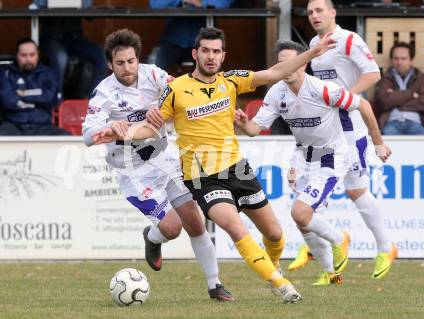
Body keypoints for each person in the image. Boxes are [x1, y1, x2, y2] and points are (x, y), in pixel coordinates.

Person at [94, 27, 337, 303]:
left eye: (216, 52)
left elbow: (274, 73)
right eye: (206, 51)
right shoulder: (176, 89)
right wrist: (118, 132)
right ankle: (282, 285)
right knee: (235, 228)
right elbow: (150, 129)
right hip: (201, 177)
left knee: (274, 233)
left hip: (238, 168)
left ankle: (273, 266)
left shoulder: (231, 81)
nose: (211, 57)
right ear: (195, 54)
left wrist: (312, 53)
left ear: (223, 56)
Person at [82, 28, 233, 302]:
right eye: (120, 63)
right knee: (173, 228)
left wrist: (171, 108)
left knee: (195, 222)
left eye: (131, 61)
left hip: (165, 160)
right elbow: (87, 136)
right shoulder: (104, 92)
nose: (127, 68)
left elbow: (184, 95)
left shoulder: (154, 75)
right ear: (109, 65)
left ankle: (215, 285)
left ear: (138, 58)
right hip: (134, 172)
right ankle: (152, 239)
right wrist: (109, 127)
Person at [234, 40, 391, 285]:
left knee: (301, 212)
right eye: (281, 62)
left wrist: (378, 142)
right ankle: (331, 273)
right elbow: (255, 129)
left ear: (303, 63)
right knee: (303, 220)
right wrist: (244, 125)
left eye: (290, 62)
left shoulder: (322, 89)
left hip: (332, 157)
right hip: (304, 157)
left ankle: (341, 239)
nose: (285, 67)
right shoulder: (277, 92)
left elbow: (364, 105)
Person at [288, 0, 398, 282]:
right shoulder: (314, 43)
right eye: (310, 12)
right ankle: (321, 256)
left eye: (319, 10)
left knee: (356, 190)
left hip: (352, 127)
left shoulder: (349, 40)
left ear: (332, 13)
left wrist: (346, 96)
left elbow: (374, 73)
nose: (313, 15)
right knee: (317, 182)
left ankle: (385, 247)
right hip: (330, 125)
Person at [31, 0, 107, 98]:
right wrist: (47, 4)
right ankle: (56, 99)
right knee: (61, 59)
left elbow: (90, 16)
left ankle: (93, 99)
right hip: (51, 38)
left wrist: (82, 4)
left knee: (102, 56)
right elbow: (34, 8)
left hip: (76, 38)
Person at [0, 38, 68, 136]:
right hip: (13, 125)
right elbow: (7, 100)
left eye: (32, 55)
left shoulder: (49, 73)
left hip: (43, 125)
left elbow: (49, 98)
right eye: (23, 55)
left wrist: (22, 95)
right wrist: (38, 97)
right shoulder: (6, 73)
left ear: (38, 56)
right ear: (17, 56)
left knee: (67, 139)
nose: (28, 59)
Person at [149, 0, 233, 72]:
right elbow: (155, 4)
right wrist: (181, 1)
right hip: (173, 40)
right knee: (152, 69)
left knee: (215, 76)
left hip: (205, 41)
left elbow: (224, 4)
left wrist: (202, 2)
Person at [374, 42, 424, 135]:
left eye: (403, 58)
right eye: (396, 58)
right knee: (385, 145)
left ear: (411, 60)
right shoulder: (385, 78)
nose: (399, 62)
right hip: (391, 122)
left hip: (415, 122)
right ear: (392, 59)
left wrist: (395, 98)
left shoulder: (421, 78)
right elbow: (382, 103)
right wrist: (411, 95)